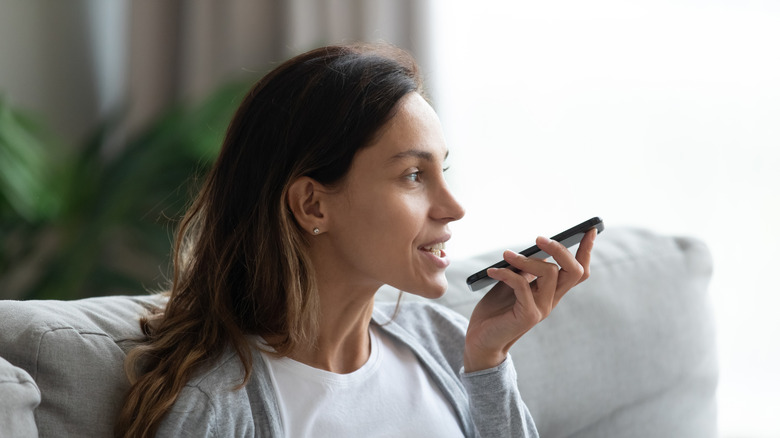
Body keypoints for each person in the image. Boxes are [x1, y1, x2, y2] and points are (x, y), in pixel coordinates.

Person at [115, 43, 596, 438]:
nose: (453, 207)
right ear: (313, 206)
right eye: (413, 175)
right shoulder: (215, 409)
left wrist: (488, 362)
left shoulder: (447, 343)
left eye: (441, 170)